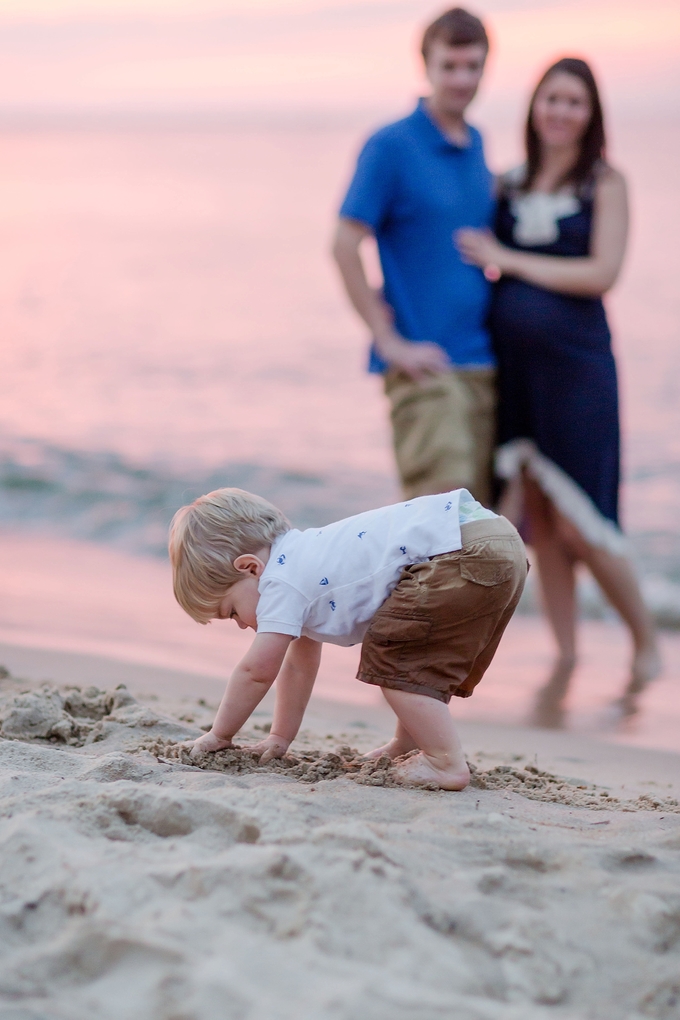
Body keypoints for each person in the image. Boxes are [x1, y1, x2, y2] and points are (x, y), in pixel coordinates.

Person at [456, 57, 660, 726]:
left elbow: (602, 273)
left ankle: (648, 644)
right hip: (515, 376)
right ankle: (567, 655)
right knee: (538, 518)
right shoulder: (508, 184)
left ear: (591, 114)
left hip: (578, 373)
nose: (561, 112)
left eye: (575, 102)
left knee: (586, 519)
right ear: (534, 107)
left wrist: (506, 259)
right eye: (552, 99)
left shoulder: (607, 183)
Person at [169, 487, 527, 790]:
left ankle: (445, 763)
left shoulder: (280, 581)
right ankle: (409, 743)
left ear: (250, 568)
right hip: (494, 539)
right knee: (418, 655)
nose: (243, 626)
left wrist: (220, 734)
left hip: (459, 551)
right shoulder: (305, 561)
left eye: (231, 611)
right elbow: (298, 667)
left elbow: (256, 672)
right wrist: (281, 736)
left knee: (394, 656)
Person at [333, 8, 496, 506]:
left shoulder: (476, 145)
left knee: (483, 543)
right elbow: (343, 245)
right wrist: (389, 341)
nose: (462, 79)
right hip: (426, 372)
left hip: (484, 367)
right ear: (425, 65)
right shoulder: (390, 146)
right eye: (450, 66)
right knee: (440, 539)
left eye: (473, 67)